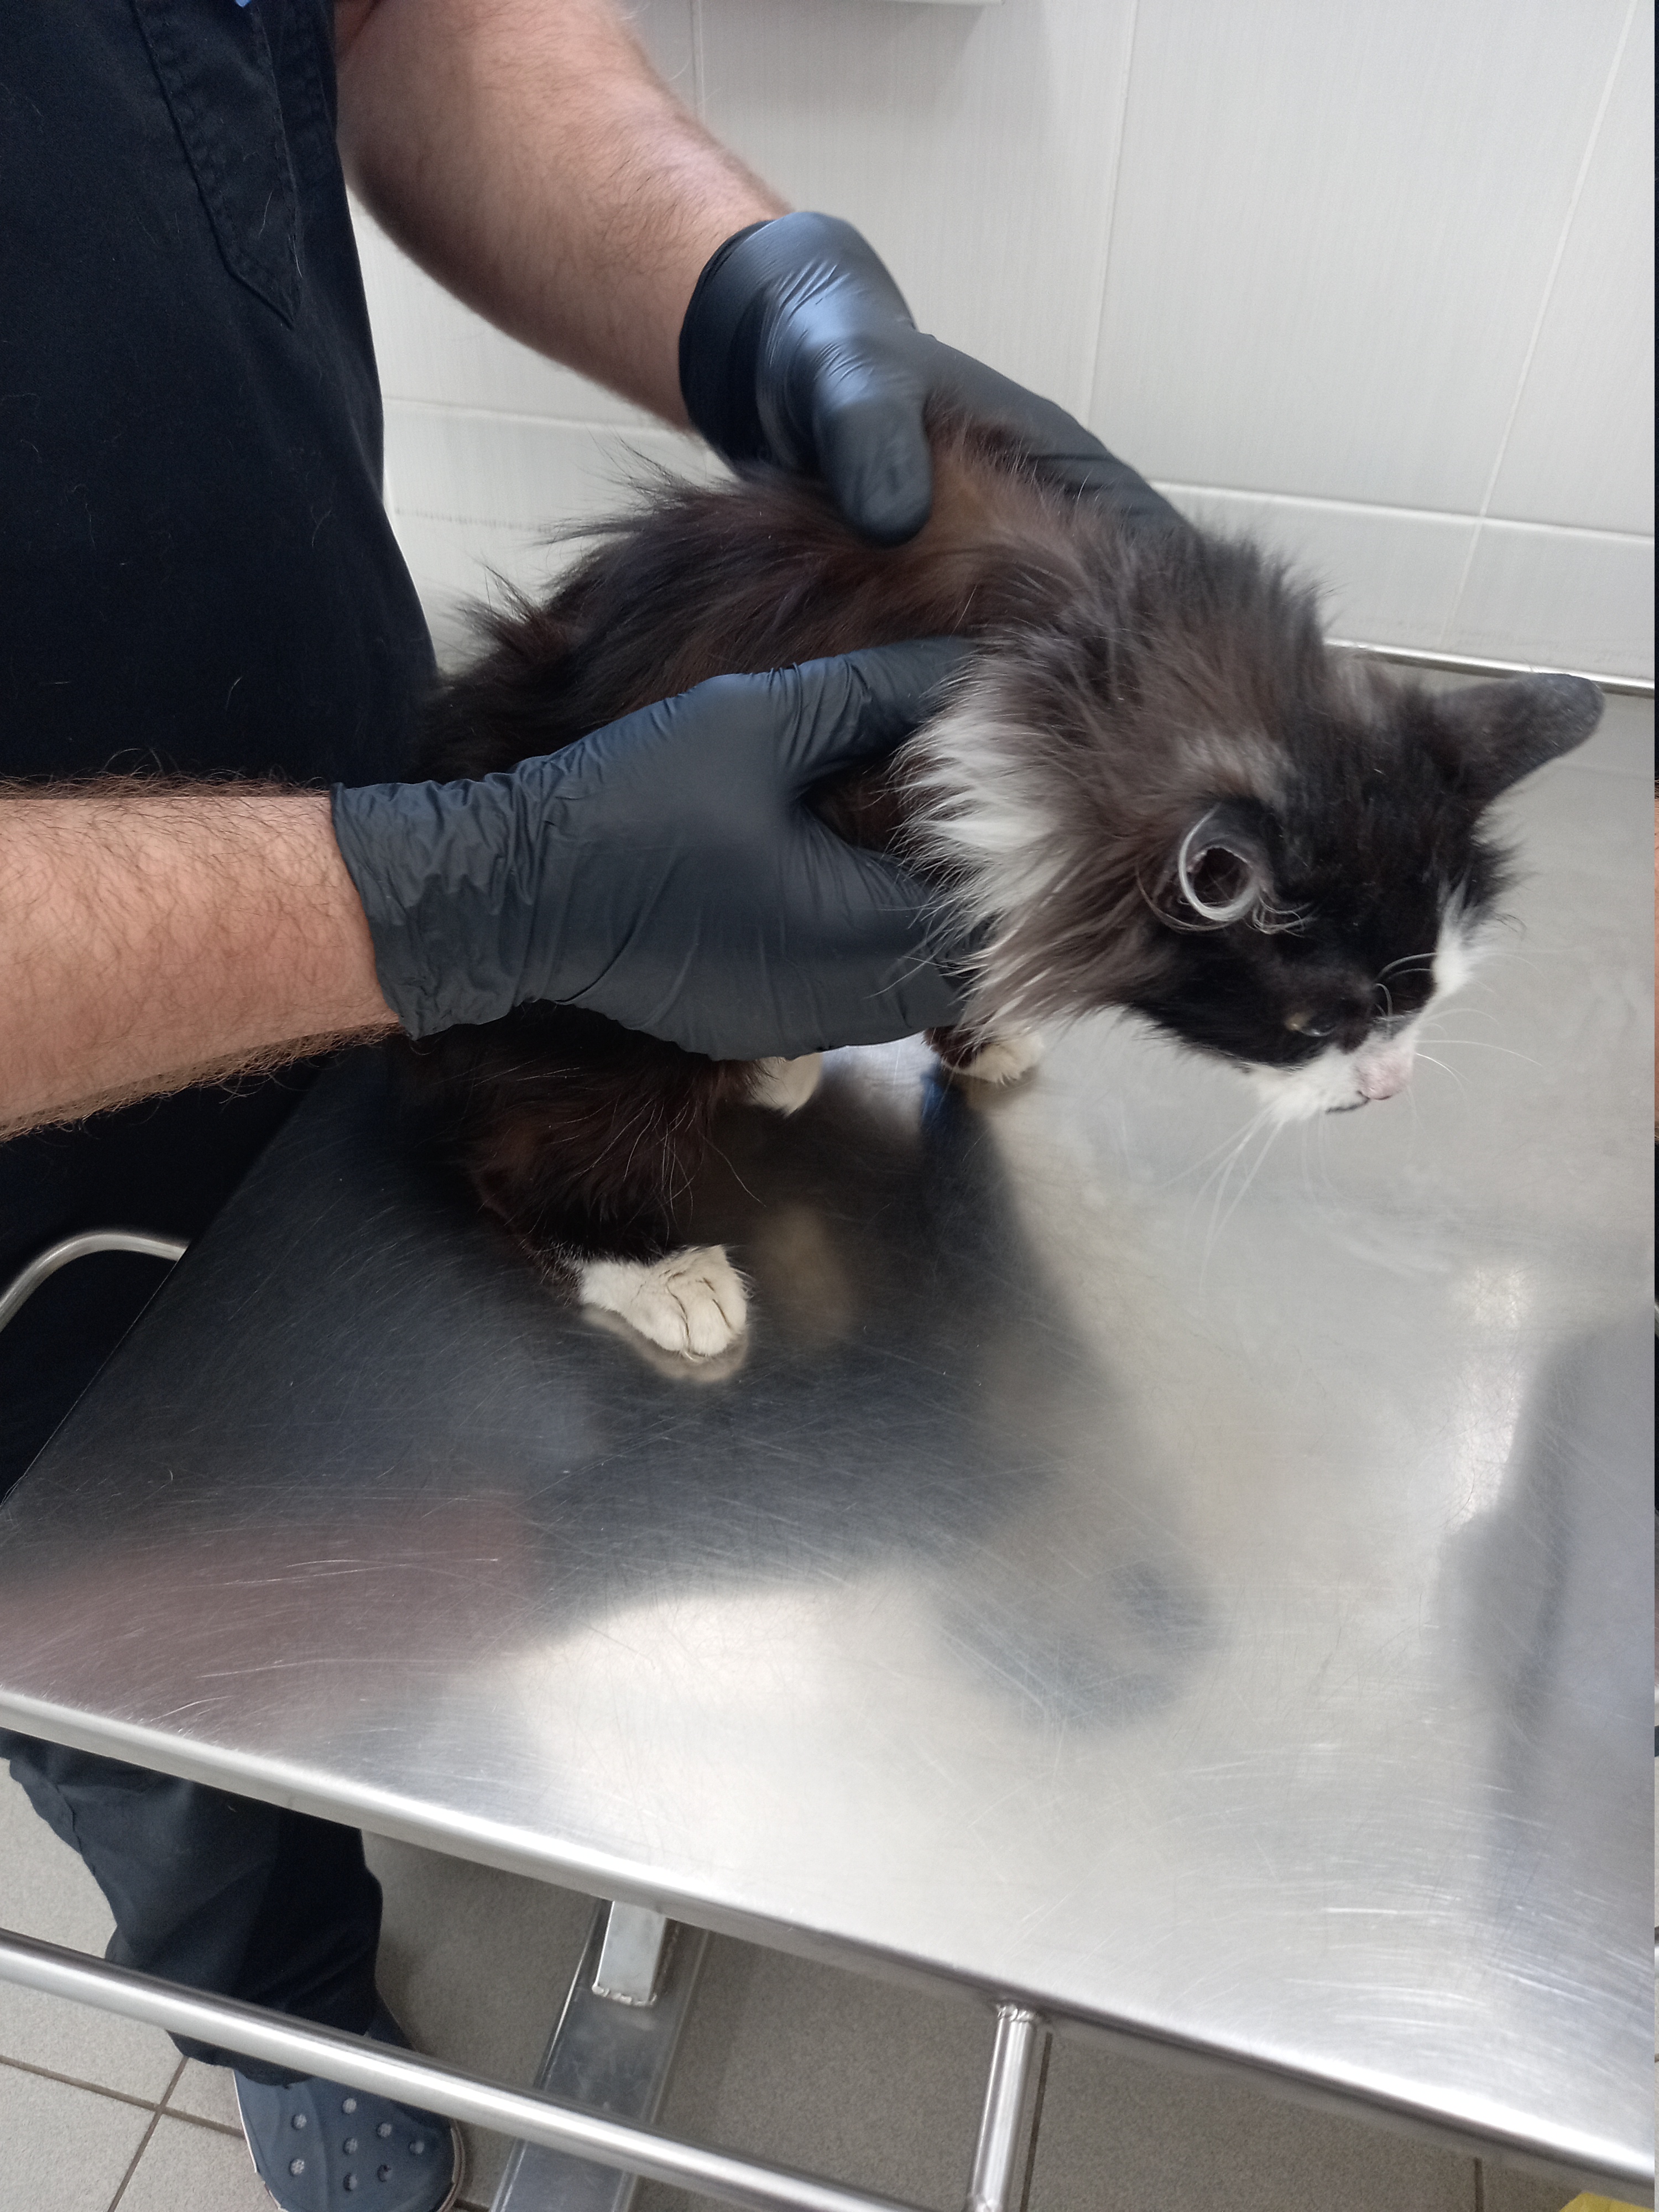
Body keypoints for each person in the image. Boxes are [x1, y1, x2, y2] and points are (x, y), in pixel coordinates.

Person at [0, 6, 1175, 2206]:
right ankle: (278, 1994)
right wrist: (452, 892)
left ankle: (483, 1730)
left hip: (351, 766)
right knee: (135, 1645)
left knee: (483, 1428)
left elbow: (396, 18)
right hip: (29, 1186)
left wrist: (745, 292)